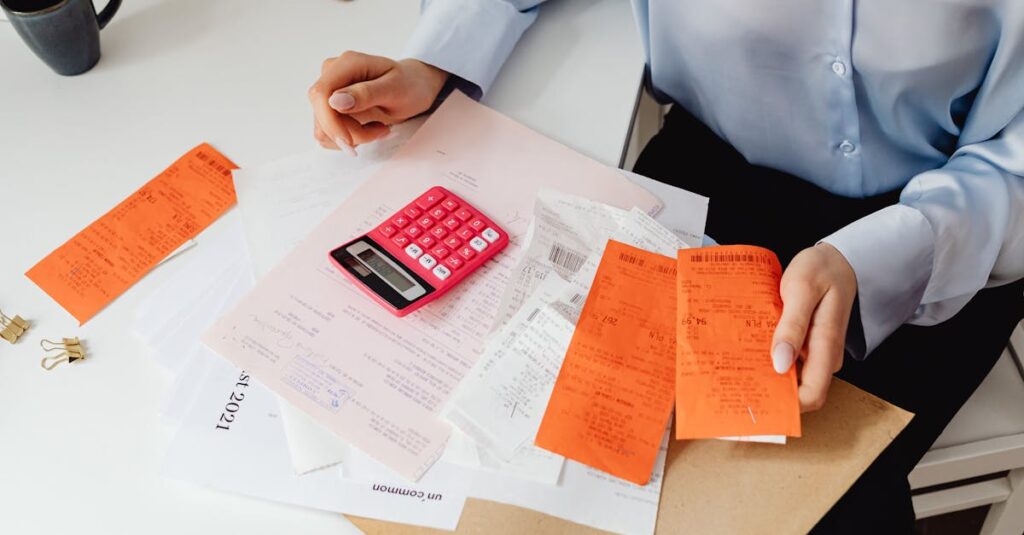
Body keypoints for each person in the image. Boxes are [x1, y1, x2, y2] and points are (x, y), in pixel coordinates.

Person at [308, 1, 1024, 532]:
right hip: (709, 177)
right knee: (551, 475)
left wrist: (876, 261)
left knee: (808, 511)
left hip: (951, 225)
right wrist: (435, 62)